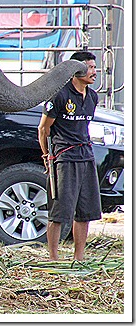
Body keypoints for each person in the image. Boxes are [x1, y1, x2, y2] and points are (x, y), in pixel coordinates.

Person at [38, 51, 101, 261]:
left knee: (85, 211)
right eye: (90, 67)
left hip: (86, 156)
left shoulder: (92, 96)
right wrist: (48, 156)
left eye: (94, 67)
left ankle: (79, 257)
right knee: (59, 211)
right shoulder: (59, 95)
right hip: (64, 158)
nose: (94, 72)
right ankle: (53, 258)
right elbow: (43, 129)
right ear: (77, 70)